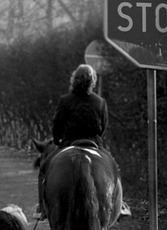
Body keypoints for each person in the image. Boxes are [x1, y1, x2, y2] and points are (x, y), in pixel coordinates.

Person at [35, 64, 112, 221]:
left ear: (74, 80)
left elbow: (57, 125)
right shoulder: (100, 102)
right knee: (113, 168)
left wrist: (57, 141)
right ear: (93, 81)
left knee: (43, 170)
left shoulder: (65, 101)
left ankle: (42, 208)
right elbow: (103, 127)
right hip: (94, 143)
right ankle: (117, 204)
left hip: (69, 143)